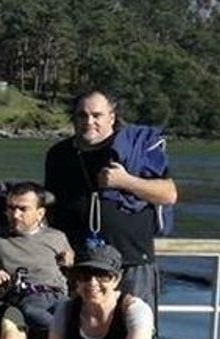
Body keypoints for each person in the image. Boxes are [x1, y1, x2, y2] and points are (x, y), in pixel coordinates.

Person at [43, 90, 178, 318]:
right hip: (80, 263)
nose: (89, 122)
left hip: (132, 260)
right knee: (82, 336)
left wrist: (126, 181)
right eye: (82, 115)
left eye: (97, 115)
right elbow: (50, 207)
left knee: (137, 334)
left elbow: (168, 194)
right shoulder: (59, 155)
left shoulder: (134, 149)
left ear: (112, 118)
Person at [0, 182, 73, 335]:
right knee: (29, 311)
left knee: (76, 314)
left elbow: (70, 261)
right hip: (27, 297)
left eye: (23, 209)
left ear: (40, 213)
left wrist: (69, 259)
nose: (15, 215)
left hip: (58, 294)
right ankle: (67, 336)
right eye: (11, 208)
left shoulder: (56, 237)